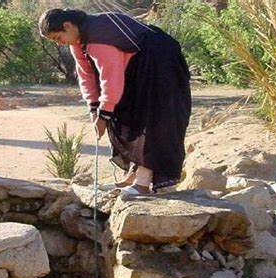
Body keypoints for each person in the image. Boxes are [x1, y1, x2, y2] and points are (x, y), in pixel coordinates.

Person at [38, 9, 192, 194]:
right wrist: (94, 109)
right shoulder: (78, 42)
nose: (60, 43)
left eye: (58, 38)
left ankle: (142, 184)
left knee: (152, 120)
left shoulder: (98, 37)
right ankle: (133, 176)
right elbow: (86, 76)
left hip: (160, 60)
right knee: (128, 116)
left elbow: (111, 79)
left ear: (68, 25)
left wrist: (104, 113)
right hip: (139, 66)